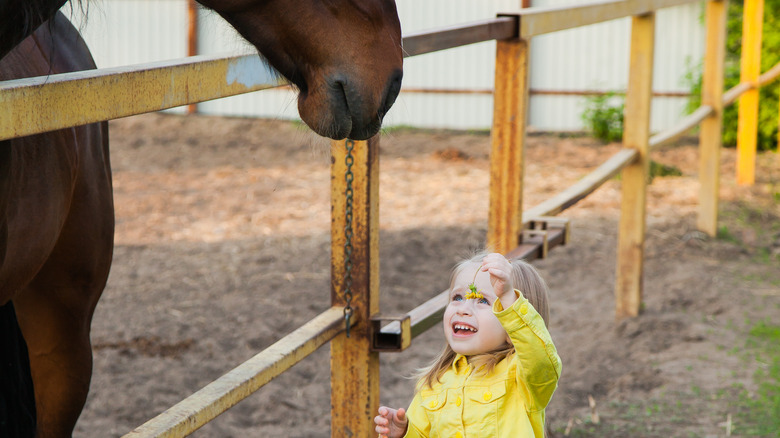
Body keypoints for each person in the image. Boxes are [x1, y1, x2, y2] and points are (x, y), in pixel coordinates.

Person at [374, 252, 562, 438]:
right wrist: (405, 433)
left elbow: (541, 360)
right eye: (457, 298)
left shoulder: (523, 376)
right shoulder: (433, 383)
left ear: (511, 326)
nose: (463, 309)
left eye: (482, 300)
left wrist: (509, 299)